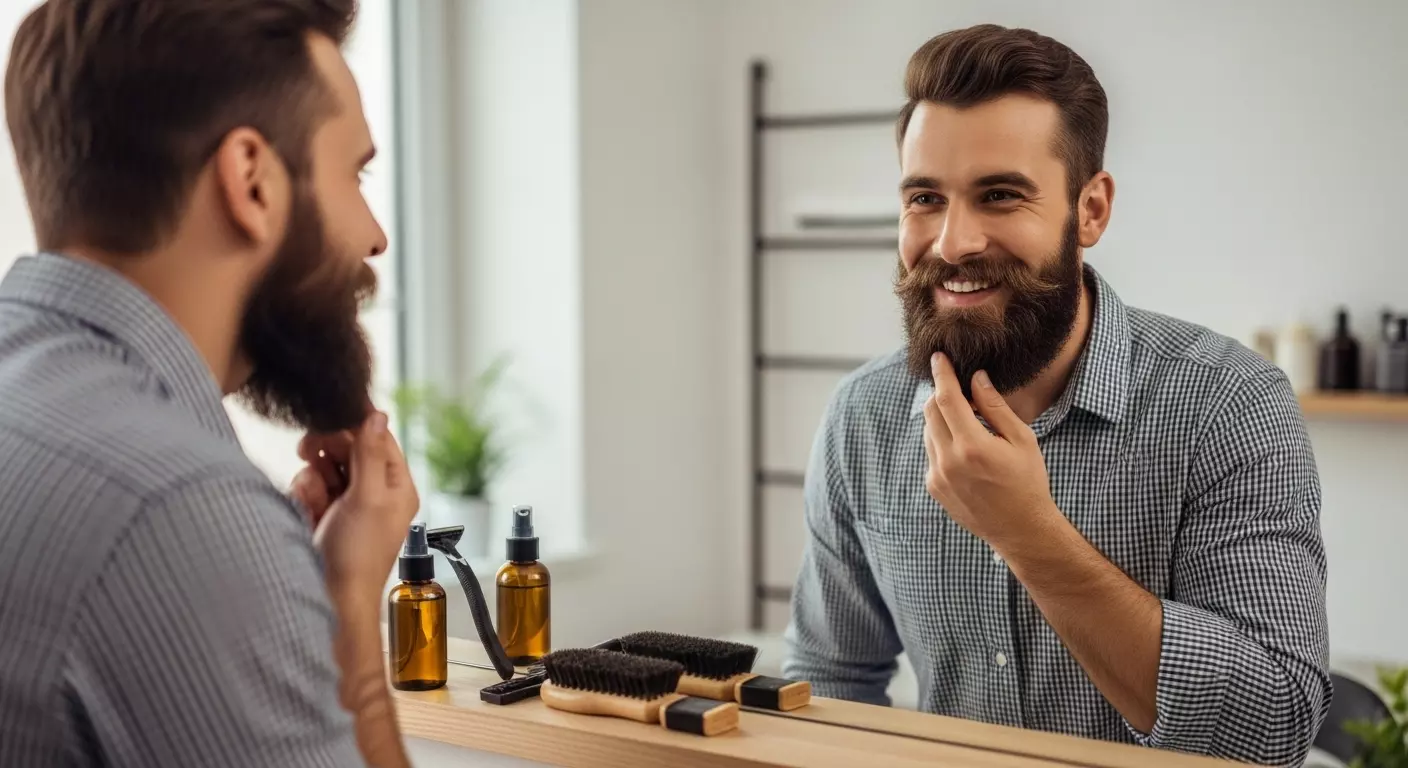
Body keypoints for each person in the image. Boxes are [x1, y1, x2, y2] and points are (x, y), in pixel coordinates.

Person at [781, 23, 1331, 766]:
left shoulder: (1230, 405)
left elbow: (1274, 727)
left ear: (1092, 210)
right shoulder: (863, 420)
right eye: (924, 198)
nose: (952, 243)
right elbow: (832, 683)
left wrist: (1030, 536)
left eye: (999, 195)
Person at [0, 1, 419, 766]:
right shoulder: (182, 511)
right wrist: (351, 617)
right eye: (355, 173)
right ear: (251, 180)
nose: (374, 235)